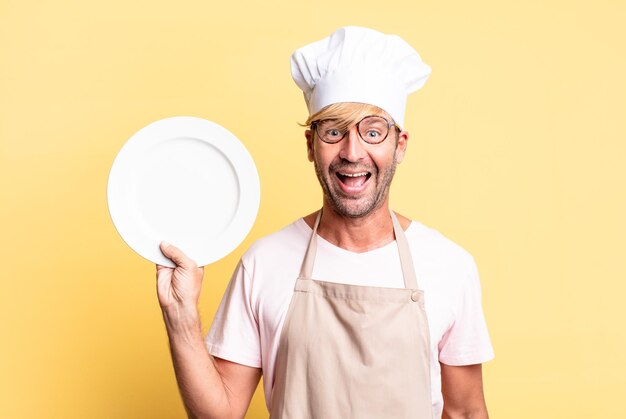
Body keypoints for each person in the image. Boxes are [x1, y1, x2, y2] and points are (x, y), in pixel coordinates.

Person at [156, 26, 494, 419]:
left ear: (399, 146)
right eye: (334, 131)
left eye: (373, 131)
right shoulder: (264, 262)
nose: (353, 152)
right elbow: (221, 413)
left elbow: (466, 412)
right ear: (310, 146)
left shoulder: (449, 265)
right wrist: (180, 315)